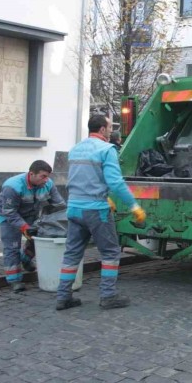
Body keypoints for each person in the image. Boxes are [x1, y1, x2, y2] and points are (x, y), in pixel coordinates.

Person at [55, 114, 145, 311]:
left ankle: (63, 297)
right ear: (103, 130)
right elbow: (115, 182)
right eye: (109, 126)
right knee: (111, 251)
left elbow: (82, 178)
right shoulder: (106, 149)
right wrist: (134, 206)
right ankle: (108, 295)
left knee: (72, 253)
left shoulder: (75, 149)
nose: (111, 130)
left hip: (74, 208)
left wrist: (105, 196)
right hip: (96, 210)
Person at [0, 160, 65, 293]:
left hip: (31, 215)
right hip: (8, 217)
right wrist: (24, 227)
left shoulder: (48, 184)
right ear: (32, 174)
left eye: (48, 176)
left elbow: (60, 204)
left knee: (39, 238)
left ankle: (26, 259)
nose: (46, 180)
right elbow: (9, 212)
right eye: (43, 176)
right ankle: (14, 280)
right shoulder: (13, 186)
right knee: (12, 247)